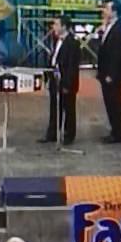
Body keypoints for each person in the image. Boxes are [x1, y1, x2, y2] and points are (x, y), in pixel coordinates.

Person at [38, 15, 81, 145]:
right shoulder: (56, 40)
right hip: (55, 80)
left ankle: (69, 135)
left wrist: (67, 84)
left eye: (56, 24)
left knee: (68, 108)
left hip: (66, 82)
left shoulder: (73, 43)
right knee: (55, 108)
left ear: (64, 26)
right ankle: (52, 133)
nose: (54, 27)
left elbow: (72, 66)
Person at [97, 0, 121, 144]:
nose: (104, 11)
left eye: (107, 9)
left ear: (115, 12)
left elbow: (117, 54)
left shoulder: (119, 29)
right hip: (106, 72)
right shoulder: (109, 26)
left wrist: (111, 74)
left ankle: (118, 132)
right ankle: (116, 130)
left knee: (115, 103)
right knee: (110, 103)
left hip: (114, 75)